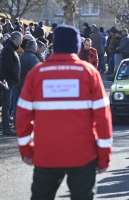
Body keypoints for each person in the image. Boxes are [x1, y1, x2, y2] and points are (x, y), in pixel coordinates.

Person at [16, 25, 113, 200]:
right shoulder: (89, 73)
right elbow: (103, 118)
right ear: (77, 46)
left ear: (55, 45)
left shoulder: (37, 74)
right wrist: (104, 156)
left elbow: (22, 116)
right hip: (83, 155)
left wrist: (26, 150)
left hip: (46, 154)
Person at [0, 31, 23, 135]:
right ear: (17, 40)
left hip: (10, 80)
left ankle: (6, 127)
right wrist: (15, 76)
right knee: (7, 104)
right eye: (20, 40)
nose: (21, 42)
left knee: (8, 104)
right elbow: (8, 67)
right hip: (8, 81)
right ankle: (6, 128)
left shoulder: (10, 48)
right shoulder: (9, 49)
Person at [14, 41, 40, 126]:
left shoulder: (21, 57)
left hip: (18, 83)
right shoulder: (33, 58)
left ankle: (16, 122)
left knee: (17, 105)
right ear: (33, 48)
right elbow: (38, 71)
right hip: (27, 85)